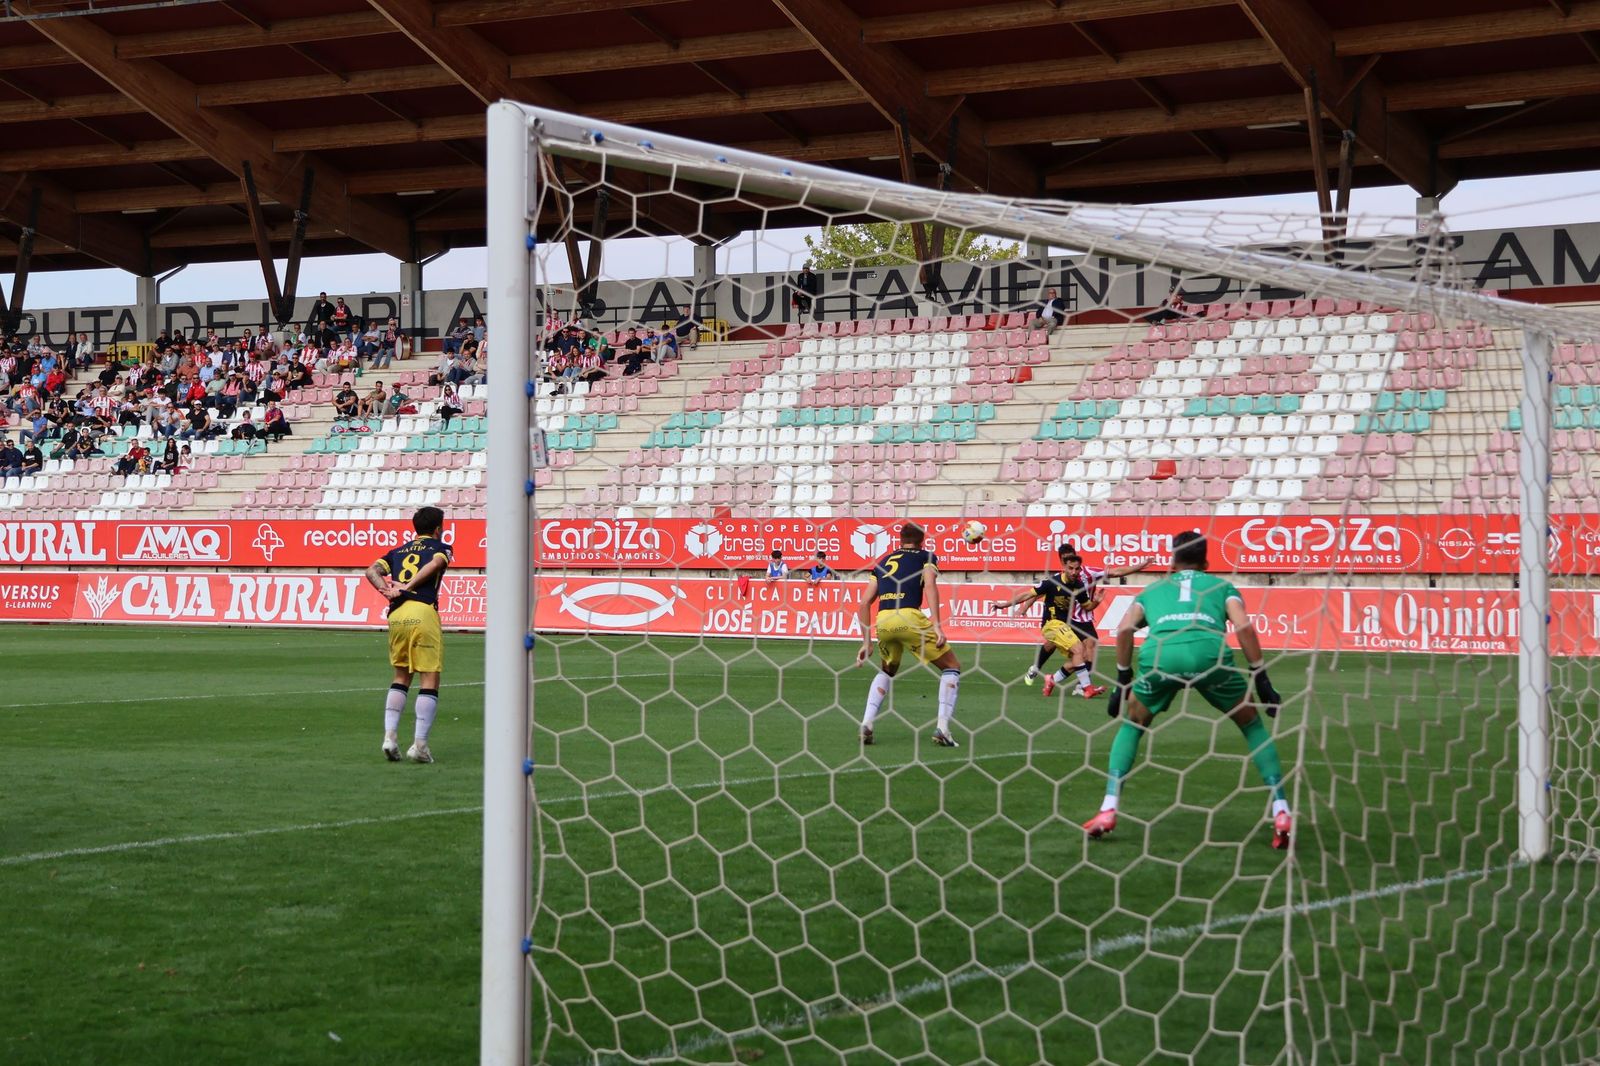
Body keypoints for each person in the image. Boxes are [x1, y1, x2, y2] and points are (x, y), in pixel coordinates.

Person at [1082, 531, 1291, 848]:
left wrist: (1123, 678)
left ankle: (1107, 809)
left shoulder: (1153, 590)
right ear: (1206, 562)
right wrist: (1260, 676)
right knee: (1251, 724)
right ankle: (1281, 811)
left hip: (1161, 659)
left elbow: (1124, 629)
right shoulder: (1223, 587)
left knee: (1133, 723)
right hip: (1211, 657)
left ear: (1171, 561)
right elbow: (1244, 626)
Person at [854, 523, 961, 748]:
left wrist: (866, 642)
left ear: (900, 540)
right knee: (951, 666)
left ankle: (867, 723)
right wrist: (937, 624)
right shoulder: (926, 556)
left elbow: (864, 603)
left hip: (884, 620)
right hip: (910, 617)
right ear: (922, 541)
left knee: (888, 670)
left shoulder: (883, 561)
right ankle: (943, 728)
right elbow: (930, 584)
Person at [363, 505, 453, 764]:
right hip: (422, 611)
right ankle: (420, 745)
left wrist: (388, 591)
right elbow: (436, 564)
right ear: (438, 529)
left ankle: (389, 737)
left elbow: (371, 571)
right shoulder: (441, 547)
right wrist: (407, 588)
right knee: (430, 678)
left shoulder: (398, 551)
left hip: (397, 615)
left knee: (401, 675)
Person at [990, 543, 1103, 700]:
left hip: (1065, 626)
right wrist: (1005, 605)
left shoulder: (1079, 585)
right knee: (1078, 649)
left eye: (1077, 569)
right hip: (1051, 624)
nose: (1074, 572)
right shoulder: (1051, 582)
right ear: (1064, 567)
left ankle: (1052, 680)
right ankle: (1087, 688)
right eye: (1071, 568)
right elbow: (1028, 595)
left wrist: (1096, 601)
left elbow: (1087, 606)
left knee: (1080, 657)